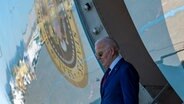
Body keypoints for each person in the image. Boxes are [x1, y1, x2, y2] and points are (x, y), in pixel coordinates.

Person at [95, 36, 139, 104]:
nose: (98, 58)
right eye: (96, 56)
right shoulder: (108, 73)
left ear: (111, 51)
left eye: (100, 54)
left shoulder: (125, 69)